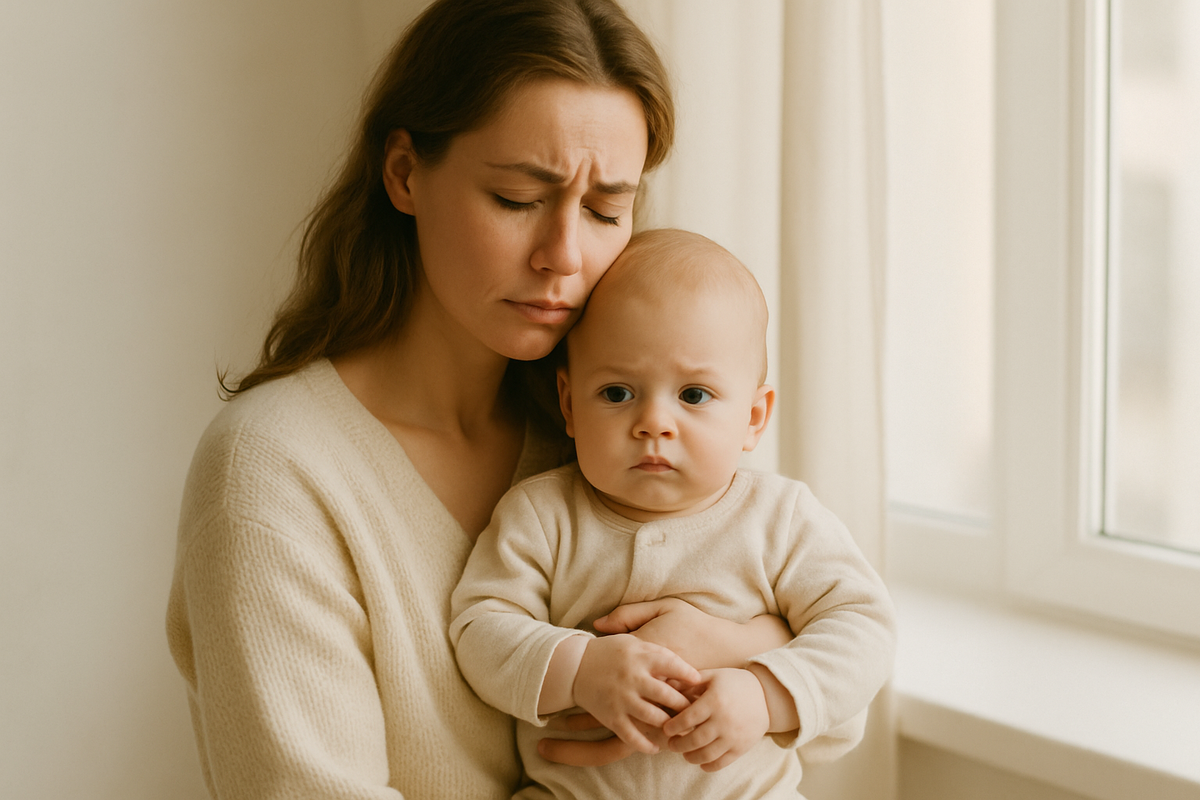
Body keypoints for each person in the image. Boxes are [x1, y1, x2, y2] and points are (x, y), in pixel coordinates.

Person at [166, 2, 793, 798]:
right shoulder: (272, 473)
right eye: (516, 199)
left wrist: (730, 642)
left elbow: (836, 709)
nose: (565, 256)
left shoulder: (613, 427)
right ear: (404, 174)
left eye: (606, 211)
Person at [450, 229, 897, 800]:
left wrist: (764, 694)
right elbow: (479, 629)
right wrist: (581, 668)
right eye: (617, 393)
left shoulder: (782, 519)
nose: (653, 422)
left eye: (693, 395)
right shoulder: (542, 516)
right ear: (568, 403)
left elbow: (863, 629)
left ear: (755, 417)